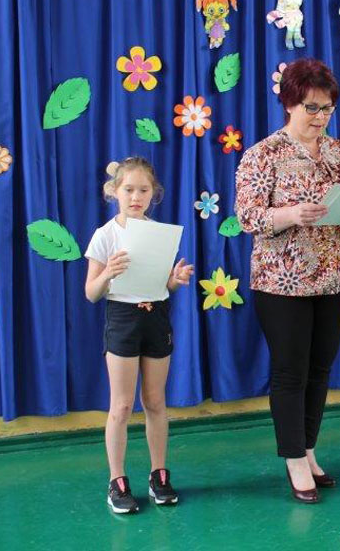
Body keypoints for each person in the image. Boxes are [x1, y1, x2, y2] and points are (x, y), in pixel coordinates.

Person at [235, 58, 340, 503]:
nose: (320, 116)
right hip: (282, 283)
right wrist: (292, 214)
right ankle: (294, 458)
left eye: (327, 108)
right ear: (289, 104)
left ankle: (310, 450)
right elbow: (248, 217)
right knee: (290, 371)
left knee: (320, 370)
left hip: (333, 278)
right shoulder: (263, 154)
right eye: (311, 107)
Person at [85, 157, 194, 514]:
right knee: (121, 405)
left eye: (143, 190)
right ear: (114, 192)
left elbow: (161, 285)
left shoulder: (158, 234)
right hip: (122, 320)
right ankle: (117, 481)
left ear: (153, 194)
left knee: (155, 401)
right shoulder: (105, 235)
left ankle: (158, 475)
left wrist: (174, 280)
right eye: (128, 189)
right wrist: (108, 273)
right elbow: (91, 292)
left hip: (156, 318)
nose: (136, 197)